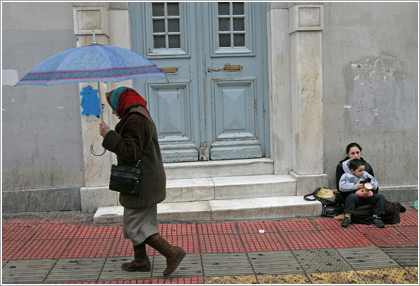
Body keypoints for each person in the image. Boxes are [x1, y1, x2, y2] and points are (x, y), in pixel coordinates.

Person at [99, 86, 186, 276]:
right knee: (142, 222)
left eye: (113, 106)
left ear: (121, 103)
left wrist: (109, 136)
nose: (113, 111)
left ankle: (171, 253)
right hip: (145, 179)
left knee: (135, 226)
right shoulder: (138, 114)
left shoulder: (135, 120)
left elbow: (131, 153)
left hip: (142, 182)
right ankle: (141, 260)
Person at [339, 158, 385, 228]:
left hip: (367, 197)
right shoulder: (346, 176)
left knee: (380, 196)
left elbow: (375, 183)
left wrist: (370, 189)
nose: (362, 172)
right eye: (360, 170)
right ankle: (347, 217)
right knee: (351, 197)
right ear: (352, 171)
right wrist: (356, 186)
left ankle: (377, 216)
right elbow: (342, 187)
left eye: (363, 170)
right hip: (357, 198)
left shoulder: (365, 174)